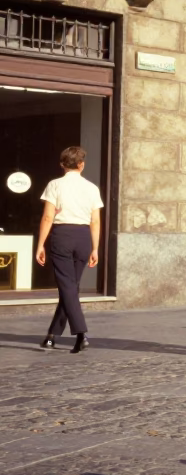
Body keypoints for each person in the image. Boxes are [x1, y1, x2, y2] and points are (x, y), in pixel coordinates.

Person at [36, 145, 103, 353]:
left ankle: (81, 333)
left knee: (67, 287)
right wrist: (95, 248)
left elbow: (48, 217)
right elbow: (96, 221)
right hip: (83, 237)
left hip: (62, 236)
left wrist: (40, 244)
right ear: (81, 165)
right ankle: (52, 335)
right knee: (70, 288)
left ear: (62, 165)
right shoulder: (92, 188)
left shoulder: (55, 185)